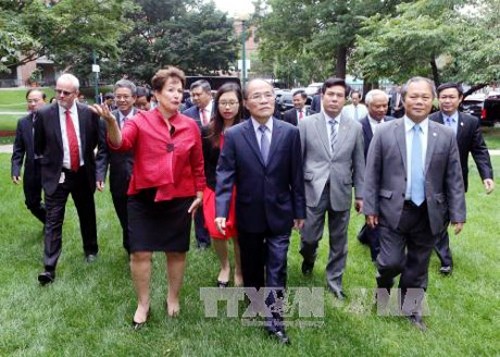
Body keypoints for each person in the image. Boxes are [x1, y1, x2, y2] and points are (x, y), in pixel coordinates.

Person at [93, 66, 205, 328]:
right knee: (140, 253)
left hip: (179, 198)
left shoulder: (190, 126)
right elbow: (121, 144)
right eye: (171, 90)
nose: (177, 95)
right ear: (156, 93)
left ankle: (172, 297)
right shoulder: (139, 120)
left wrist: (199, 192)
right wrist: (111, 122)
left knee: (176, 252)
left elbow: (197, 164)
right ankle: (143, 304)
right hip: (143, 197)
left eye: (180, 90)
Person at [363, 77, 466, 331]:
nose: (419, 102)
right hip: (392, 210)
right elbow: (372, 171)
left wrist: (458, 212)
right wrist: (370, 207)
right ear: (403, 99)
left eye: (424, 97)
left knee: (418, 265)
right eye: (413, 96)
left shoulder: (444, 135)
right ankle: (383, 286)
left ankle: (410, 310)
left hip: (429, 212)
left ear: (432, 101)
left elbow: (454, 175)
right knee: (391, 262)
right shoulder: (386, 131)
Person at [215, 79, 306, 345]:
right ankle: (254, 299)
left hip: (280, 211)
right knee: (253, 265)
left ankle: (275, 321)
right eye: (257, 96)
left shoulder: (290, 133)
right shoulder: (234, 135)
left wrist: (299, 209)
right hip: (248, 212)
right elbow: (224, 174)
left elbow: (296, 176)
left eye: (269, 95)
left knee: (277, 266)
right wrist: (221, 211)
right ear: (246, 103)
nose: (264, 100)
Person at [34, 73, 104, 285]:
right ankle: (49, 267)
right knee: (53, 220)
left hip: (82, 172)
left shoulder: (89, 113)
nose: (61, 96)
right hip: (57, 174)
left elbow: (94, 142)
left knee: (87, 213)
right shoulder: (45, 114)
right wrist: (48, 167)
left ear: (76, 94)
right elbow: (38, 147)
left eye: (66, 92)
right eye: (58, 91)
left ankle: (91, 249)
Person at [298, 77, 364, 300]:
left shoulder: (355, 127)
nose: (335, 99)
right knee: (308, 238)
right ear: (322, 96)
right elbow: (298, 160)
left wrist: (361, 194)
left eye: (339, 96)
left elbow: (359, 163)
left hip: (341, 190)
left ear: (345, 100)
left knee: (339, 241)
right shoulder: (307, 124)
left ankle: (334, 281)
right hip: (312, 189)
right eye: (330, 94)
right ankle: (308, 258)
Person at [429, 82, 494, 275]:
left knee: (446, 215)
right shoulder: (429, 120)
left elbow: (479, 150)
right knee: (439, 219)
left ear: (460, 99)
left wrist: (487, 176)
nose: (447, 101)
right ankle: (445, 260)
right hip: (433, 180)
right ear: (438, 99)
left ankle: (367, 233)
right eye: (443, 97)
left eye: (451, 97)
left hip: (458, 180)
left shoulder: (471, 122)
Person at [201, 83, 243, 287]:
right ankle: (225, 266)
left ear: (240, 104)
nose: (227, 107)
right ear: (217, 104)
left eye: (232, 102)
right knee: (217, 232)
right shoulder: (208, 131)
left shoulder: (248, 128)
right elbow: (204, 163)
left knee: (239, 234)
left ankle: (240, 271)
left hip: (241, 190)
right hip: (214, 189)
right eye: (223, 102)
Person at [96, 79, 140, 254]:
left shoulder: (143, 118)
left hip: (140, 177)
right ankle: (130, 247)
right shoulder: (105, 120)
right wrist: (100, 175)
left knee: (139, 216)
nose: (121, 100)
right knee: (124, 216)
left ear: (134, 98)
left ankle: (139, 249)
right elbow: (103, 151)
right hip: (118, 178)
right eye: (118, 96)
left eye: (126, 96)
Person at [357, 89, 394, 261]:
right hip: (367, 179)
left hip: (391, 179)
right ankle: (377, 253)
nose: (381, 109)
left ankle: (364, 235)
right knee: (371, 211)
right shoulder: (358, 127)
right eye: (377, 106)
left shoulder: (396, 124)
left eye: (385, 105)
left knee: (386, 212)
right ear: (367, 105)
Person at [183, 80, 214, 249]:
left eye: (198, 94)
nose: (194, 98)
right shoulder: (187, 114)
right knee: (199, 198)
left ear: (209, 94)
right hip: (197, 164)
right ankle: (202, 239)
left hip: (219, 162)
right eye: (192, 95)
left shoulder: (222, 110)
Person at [11, 88, 47, 224]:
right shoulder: (23, 122)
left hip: (49, 167)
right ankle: (49, 220)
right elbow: (18, 149)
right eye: (29, 101)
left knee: (52, 201)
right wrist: (15, 169)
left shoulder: (53, 119)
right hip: (32, 168)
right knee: (31, 203)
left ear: (44, 101)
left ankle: (53, 229)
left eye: (36, 101)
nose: (32, 104)